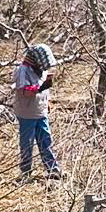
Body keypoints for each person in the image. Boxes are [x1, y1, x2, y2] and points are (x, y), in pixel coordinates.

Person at [13, 43, 63, 179]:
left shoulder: (42, 70)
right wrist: (40, 88)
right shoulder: (22, 71)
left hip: (40, 112)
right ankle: (25, 173)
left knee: (46, 140)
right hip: (27, 113)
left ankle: (53, 170)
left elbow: (45, 88)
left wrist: (47, 102)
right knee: (27, 144)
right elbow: (23, 91)